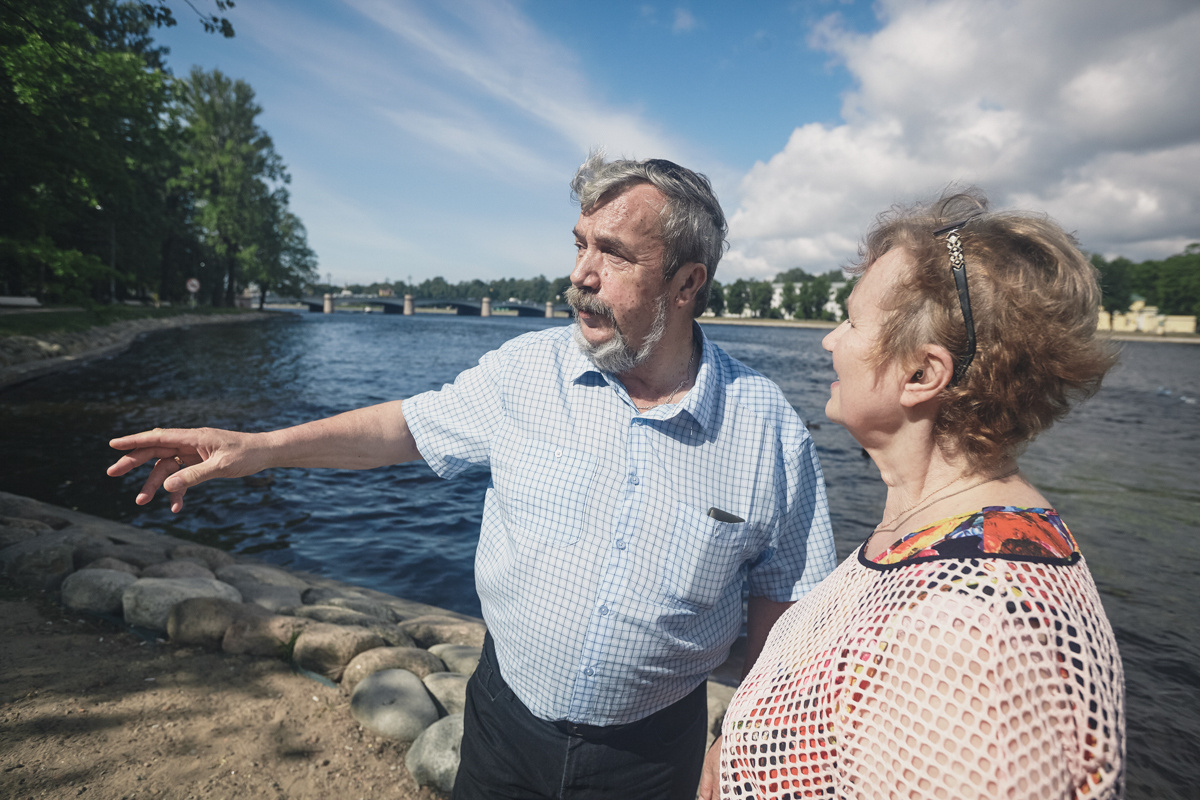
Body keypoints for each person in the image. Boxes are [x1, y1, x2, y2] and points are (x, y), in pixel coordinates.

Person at [107, 153, 838, 800]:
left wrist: (733, 744)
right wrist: (261, 448)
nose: (580, 275)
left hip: (650, 758)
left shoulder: (767, 429)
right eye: (580, 244)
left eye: (613, 254)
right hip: (502, 724)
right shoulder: (526, 371)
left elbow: (789, 618)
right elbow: (401, 429)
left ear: (686, 283)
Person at [703, 188, 1125, 800]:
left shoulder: (972, 636)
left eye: (852, 321)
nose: (830, 341)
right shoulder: (933, 532)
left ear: (922, 374)